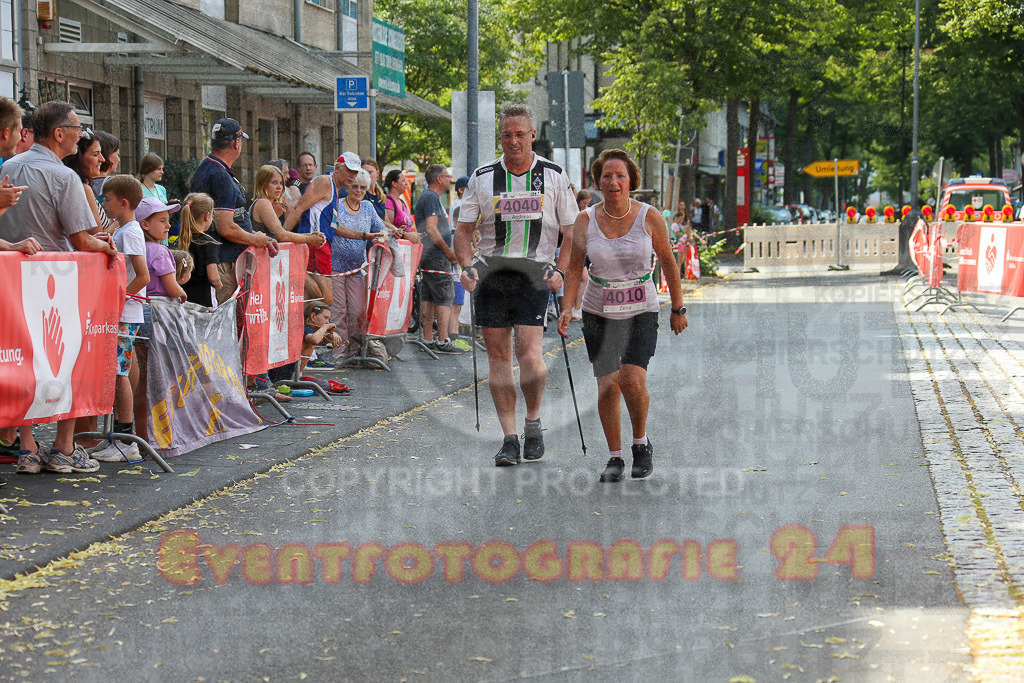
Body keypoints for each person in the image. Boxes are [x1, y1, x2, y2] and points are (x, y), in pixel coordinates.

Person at [454, 104, 577, 466]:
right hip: (491, 273)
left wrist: (560, 269)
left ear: (532, 135)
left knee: (530, 356)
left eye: (520, 134)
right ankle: (509, 438)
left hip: (533, 272)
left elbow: (571, 232)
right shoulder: (483, 176)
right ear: (501, 137)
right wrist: (466, 266)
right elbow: (463, 230)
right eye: (507, 135)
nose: (513, 141)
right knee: (498, 358)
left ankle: (533, 421)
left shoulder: (553, 175)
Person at [557, 148, 688, 483]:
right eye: (607, 176)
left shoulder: (649, 216)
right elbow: (574, 266)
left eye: (620, 176)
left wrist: (678, 307)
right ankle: (614, 456)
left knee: (631, 378)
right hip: (598, 310)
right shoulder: (585, 220)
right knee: (607, 386)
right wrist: (567, 307)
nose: (613, 182)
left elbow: (668, 262)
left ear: (631, 181)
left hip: (640, 308)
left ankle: (640, 443)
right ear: (598, 182)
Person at [0, 100, 116, 474]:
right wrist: (106, 246)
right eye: (77, 128)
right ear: (59, 133)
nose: (81, 135)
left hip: (15, 284)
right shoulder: (64, 177)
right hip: (60, 285)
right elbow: (81, 240)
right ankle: (64, 447)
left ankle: (28, 447)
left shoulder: (9, 166)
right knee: (71, 362)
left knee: (27, 363)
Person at [90, 174, 150, 462]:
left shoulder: (131, 233)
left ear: (123, 203)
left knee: (118, 373)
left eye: (108, 199)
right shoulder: (125, 230)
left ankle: (126, 440)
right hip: (122, 312)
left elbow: (143, 275)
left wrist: (118, 299)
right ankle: (118, 436)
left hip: (124, 314)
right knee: (117, 371)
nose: (103, 203)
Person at [189, 118, 278, 305]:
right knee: (224, 317)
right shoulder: (220, 175)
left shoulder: (208, 168)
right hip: (222, 261)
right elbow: (225, 227)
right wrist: (255, 239)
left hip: (213, 258)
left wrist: (256, 235)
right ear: (237, 143)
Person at [283, 151, 364, 323]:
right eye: (349, 170)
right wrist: (282, 237)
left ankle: (304, 335)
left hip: (323, 247)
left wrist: (366, 235)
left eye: (355, 172)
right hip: (315, 245)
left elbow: (336, 227)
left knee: (315, 301)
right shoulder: (324, 182)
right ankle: (297, 272)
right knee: (325, 299)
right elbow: (298, 208)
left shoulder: (336, 189)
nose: (352, 176)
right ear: (337, 168)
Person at [326, 167, 390, 360]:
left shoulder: (368, 208)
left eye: (363, 187)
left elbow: (382, 228)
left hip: (356, 268)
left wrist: (397, 234)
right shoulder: (337, 205)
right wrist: (367, 236)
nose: (359, 191)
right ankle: (339, 353)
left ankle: (355, 351)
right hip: (335, 267)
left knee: (357, 311)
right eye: (355, 186)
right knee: (339, 312)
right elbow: (334, 228)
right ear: (348, 187)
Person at [415, 163, 461, 353]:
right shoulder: (432, 197)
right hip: (436, 256)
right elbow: (432, 229)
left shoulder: (429, 197)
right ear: (439, 178)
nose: (450, 180)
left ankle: (428, 338)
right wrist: (448, 252)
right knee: (443, 296)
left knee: (428, 296)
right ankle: (443, 339)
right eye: (447, 176)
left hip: (428, 255)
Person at [250, 164, 327, 250]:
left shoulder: (265, 203)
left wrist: (309, 235)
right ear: (263, 184)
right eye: (274, 182)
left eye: (281, 183)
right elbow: (281, 235)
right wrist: (310, 239)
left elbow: (281, 234)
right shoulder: (263, 203)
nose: (279, 187)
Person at [177, 193, 222, 308]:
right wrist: (218, 283)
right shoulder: (208, 243)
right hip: (203, 299)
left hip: (182, 297)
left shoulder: (179, 241)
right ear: (207, 216)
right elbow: (213, 276)